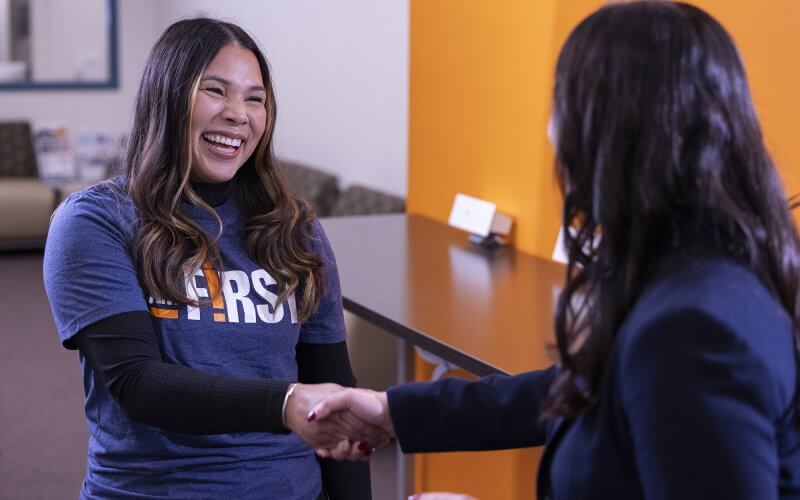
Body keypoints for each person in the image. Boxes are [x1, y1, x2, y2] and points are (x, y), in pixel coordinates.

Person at [306, 2, 800, 499]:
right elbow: (577, 388)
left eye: (560, 104)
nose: (550, 132)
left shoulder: (693, 328)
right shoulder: (695, 268)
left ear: (612, 132)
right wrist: (393, 411)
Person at [43, 18, 370, 499]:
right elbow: (138, 383)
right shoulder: (95, 222)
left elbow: (337, 395)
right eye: (215, 91)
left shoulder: (294, 227)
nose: (239, 114)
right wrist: (285, 403)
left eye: (255, 98)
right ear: (168, 97)